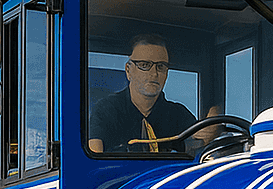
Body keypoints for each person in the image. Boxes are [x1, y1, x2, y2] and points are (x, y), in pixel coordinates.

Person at [88, 34, 219, 153]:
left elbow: (201, 148)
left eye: (161, 66)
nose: (154, 73)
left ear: (167, 73)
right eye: (144, 65)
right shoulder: (106, 110)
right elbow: (93, 160)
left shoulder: (178, 114)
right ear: (128, 70)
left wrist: (210, 132)